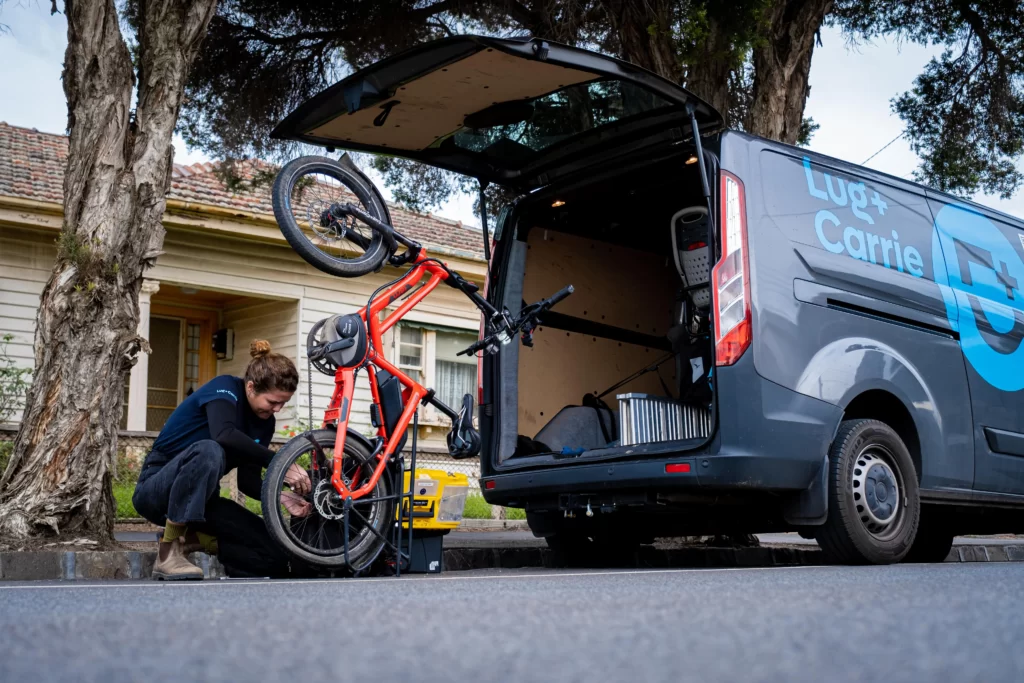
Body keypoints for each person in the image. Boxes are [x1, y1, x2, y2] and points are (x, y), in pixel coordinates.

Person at [133, 340, 313, 580]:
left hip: (203, 502)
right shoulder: (225, 388)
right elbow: (224, 434)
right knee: (210, 449)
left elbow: (248, 481)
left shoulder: (264, 422)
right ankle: (169, 550)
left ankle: (195, 541)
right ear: (250, 387)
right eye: (272, 402)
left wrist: (282, 496)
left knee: (276, 551)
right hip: (157, 490)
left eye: (283, 403)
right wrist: (282, 462)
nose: (278, 409)